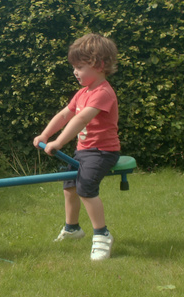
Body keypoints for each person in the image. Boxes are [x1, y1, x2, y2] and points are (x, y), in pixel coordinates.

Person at [33, 33, 120, 261]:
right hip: (83, 151)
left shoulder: (103, 93)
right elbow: (64, 115)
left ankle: (102, 235)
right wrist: (44, 134)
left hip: (102, 152)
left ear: (99, 65)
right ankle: (72, 229)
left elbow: (81, 121)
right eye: (74, 66)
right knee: (69, 186)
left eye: (80, 67)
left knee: (86, 188)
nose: (75, 72)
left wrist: (58, 142)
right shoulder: (83, 93)